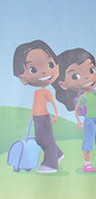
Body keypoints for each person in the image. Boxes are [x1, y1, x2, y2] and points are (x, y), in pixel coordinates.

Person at [54, 47, 96, 172]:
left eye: (91, 70)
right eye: (75, 76)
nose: (87, 77)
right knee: (88, 141)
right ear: (63, 84)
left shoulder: (95, 93)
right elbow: (76, 110)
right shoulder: (81, 97)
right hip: (89, 121)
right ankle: (87, 163)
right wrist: (79, 122)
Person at [12, 40, 63, 173]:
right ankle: (58, 154)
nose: (44, 72)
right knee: (40, 139)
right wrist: (33, 113)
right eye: (33, 69)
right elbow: (37, 104)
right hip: (37, 117)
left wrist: (56, 114)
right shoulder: (37, 92)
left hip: (44, 118)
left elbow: (52, 103)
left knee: (45, 140)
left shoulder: (46, 92)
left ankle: (51, 164)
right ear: (22, 78)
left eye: (50, 64)